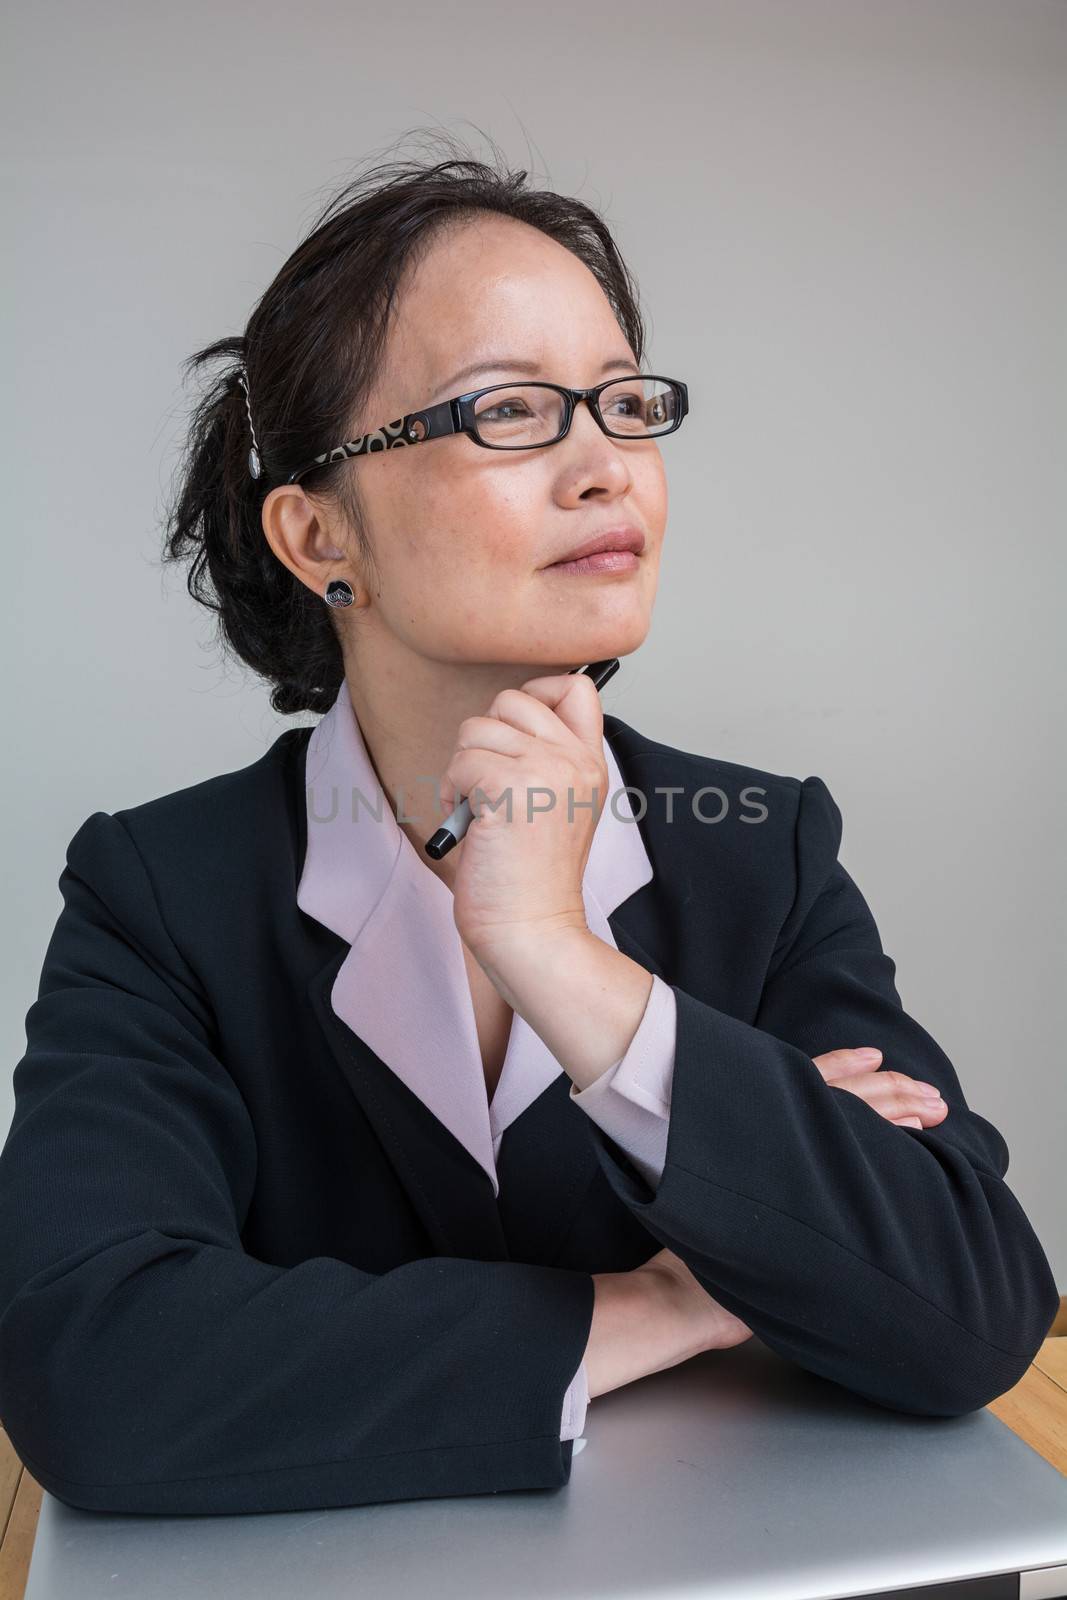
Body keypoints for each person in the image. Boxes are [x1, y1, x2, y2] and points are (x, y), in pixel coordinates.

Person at [0, 137, 1059, 1518]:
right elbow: (97, 1371)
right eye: (507, 411)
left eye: (623, 404)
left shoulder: (761, 849)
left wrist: (567, 961)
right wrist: (666, 1303)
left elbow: (969, 1306)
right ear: (320, 537)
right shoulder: (161, 893)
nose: (607, 466)